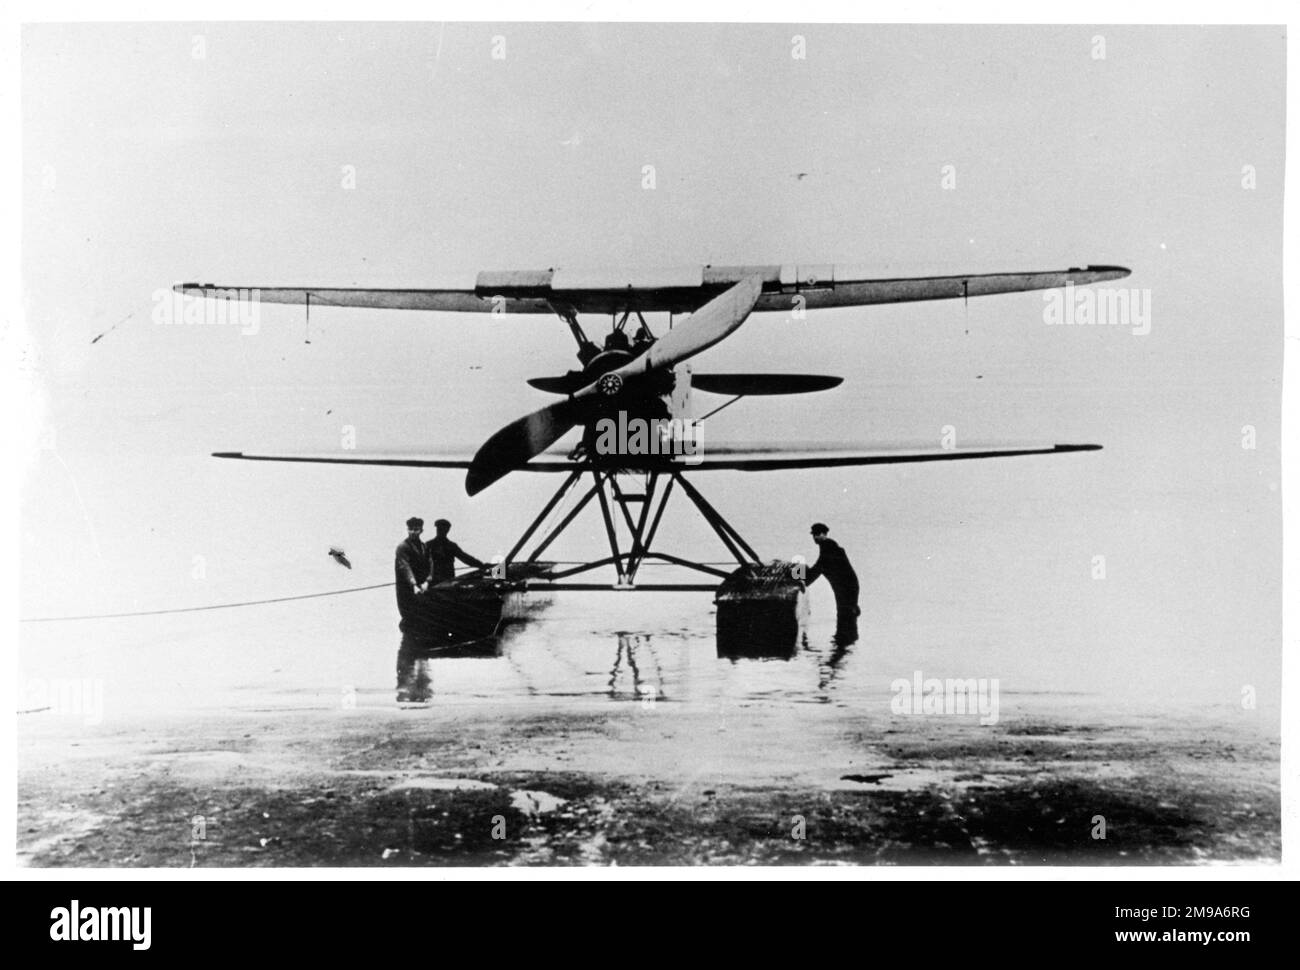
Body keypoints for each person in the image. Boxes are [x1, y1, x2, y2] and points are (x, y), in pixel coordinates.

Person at [805, 522, 861, 621]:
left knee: (846, 613)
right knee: (845, 612)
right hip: (847, 585)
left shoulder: (829, 547)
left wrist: (803, 579)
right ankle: (844, 636)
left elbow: (819, 567)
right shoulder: (829, 546)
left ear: (823, 534)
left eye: (816, 534)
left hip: (846, 586)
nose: (814, 537)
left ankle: (845, 636)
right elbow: (820, 566)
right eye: (814, 535)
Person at [394, 516, 431, 625]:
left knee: (423, 615)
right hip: (407, 588)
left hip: (422, 586)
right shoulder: (402, 547)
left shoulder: (424, 547)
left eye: (416, 529)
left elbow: (430, 565)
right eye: (410, 529)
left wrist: (427, 582)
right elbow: (405, 567)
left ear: (421, 531)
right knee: (410, 617)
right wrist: (414, 584)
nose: (413, 532)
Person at [425, 518, 486, 584]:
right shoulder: (429, 545)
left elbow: (465, 558)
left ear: (447, 530)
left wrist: (481, 565)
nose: (440, 531)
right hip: (433, 581)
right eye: (439, 529)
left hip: (448, 580)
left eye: (443, 529)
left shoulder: (451, 546)